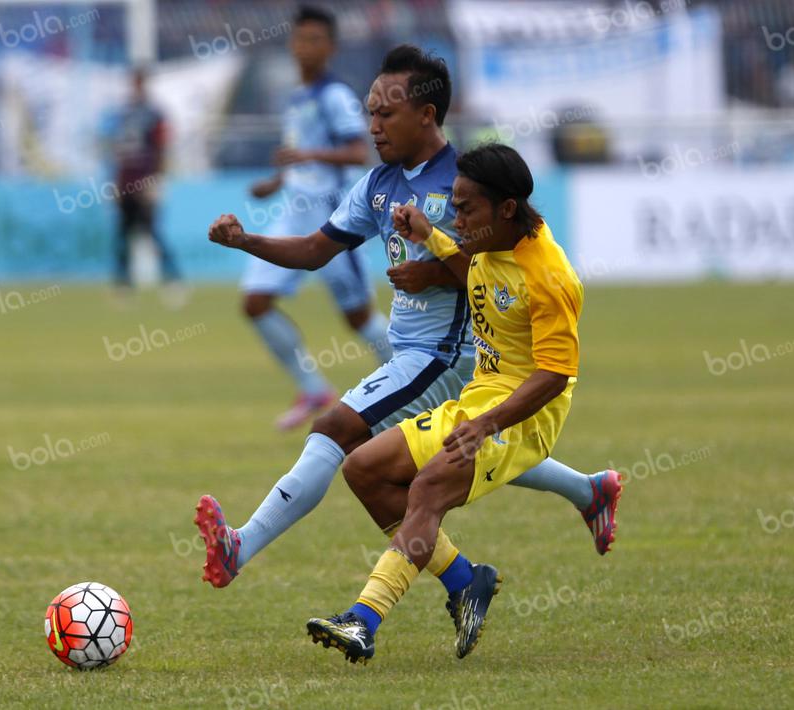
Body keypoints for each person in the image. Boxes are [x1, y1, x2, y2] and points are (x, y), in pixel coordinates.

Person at [198, 46, 621, 596]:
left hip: (446, 357)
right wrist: (246, 240)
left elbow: (506, 271)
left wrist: (439, 274)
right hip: (416, 354)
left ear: (427, 114)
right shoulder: (379, 183)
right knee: (478, 448)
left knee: (335, 431)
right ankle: (586, 495)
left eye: (384, 113)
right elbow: (313, 250)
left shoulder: (467, 183)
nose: (373, 126)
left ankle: (241, 546)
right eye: (370, 112)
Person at [306, 143, 585, 663]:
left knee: (428, 489)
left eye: (464, 209)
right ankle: (465, 580)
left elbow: (554, 374)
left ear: (506, 209)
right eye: (452, 206)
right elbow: (469, 263)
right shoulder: (489, 238)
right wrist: (427, 234)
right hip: (480, 401)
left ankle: (363, 621)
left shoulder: (549, 276)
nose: (455, 218)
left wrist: (489, 424)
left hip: (524, 418)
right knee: (363, 469)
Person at [241, 5, 392, 430]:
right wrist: (277, 181)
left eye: (315, 39)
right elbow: (300, 156)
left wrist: (307, 155)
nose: (306, 47)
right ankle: (313, 389)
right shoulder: (297, 97)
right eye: (300, 38)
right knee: (255, 302)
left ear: (330, 46)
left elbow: (357, 152)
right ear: (292, 43)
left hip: (332, 218)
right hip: (293, 214)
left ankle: (417, 384)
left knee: (358, 318)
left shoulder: (334, 96)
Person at [112, 66, 183, 297]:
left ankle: (172, 280)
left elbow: (162, 149)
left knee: (153, 233)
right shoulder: (122, 114)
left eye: (140, 82)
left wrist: (155, 180)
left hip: (145, 183)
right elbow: (118, 152)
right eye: (134, 82)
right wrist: (117, 182)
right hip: (126, 182)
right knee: (123, 235)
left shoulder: (154, 115)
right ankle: (124, 285)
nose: (136, 86)